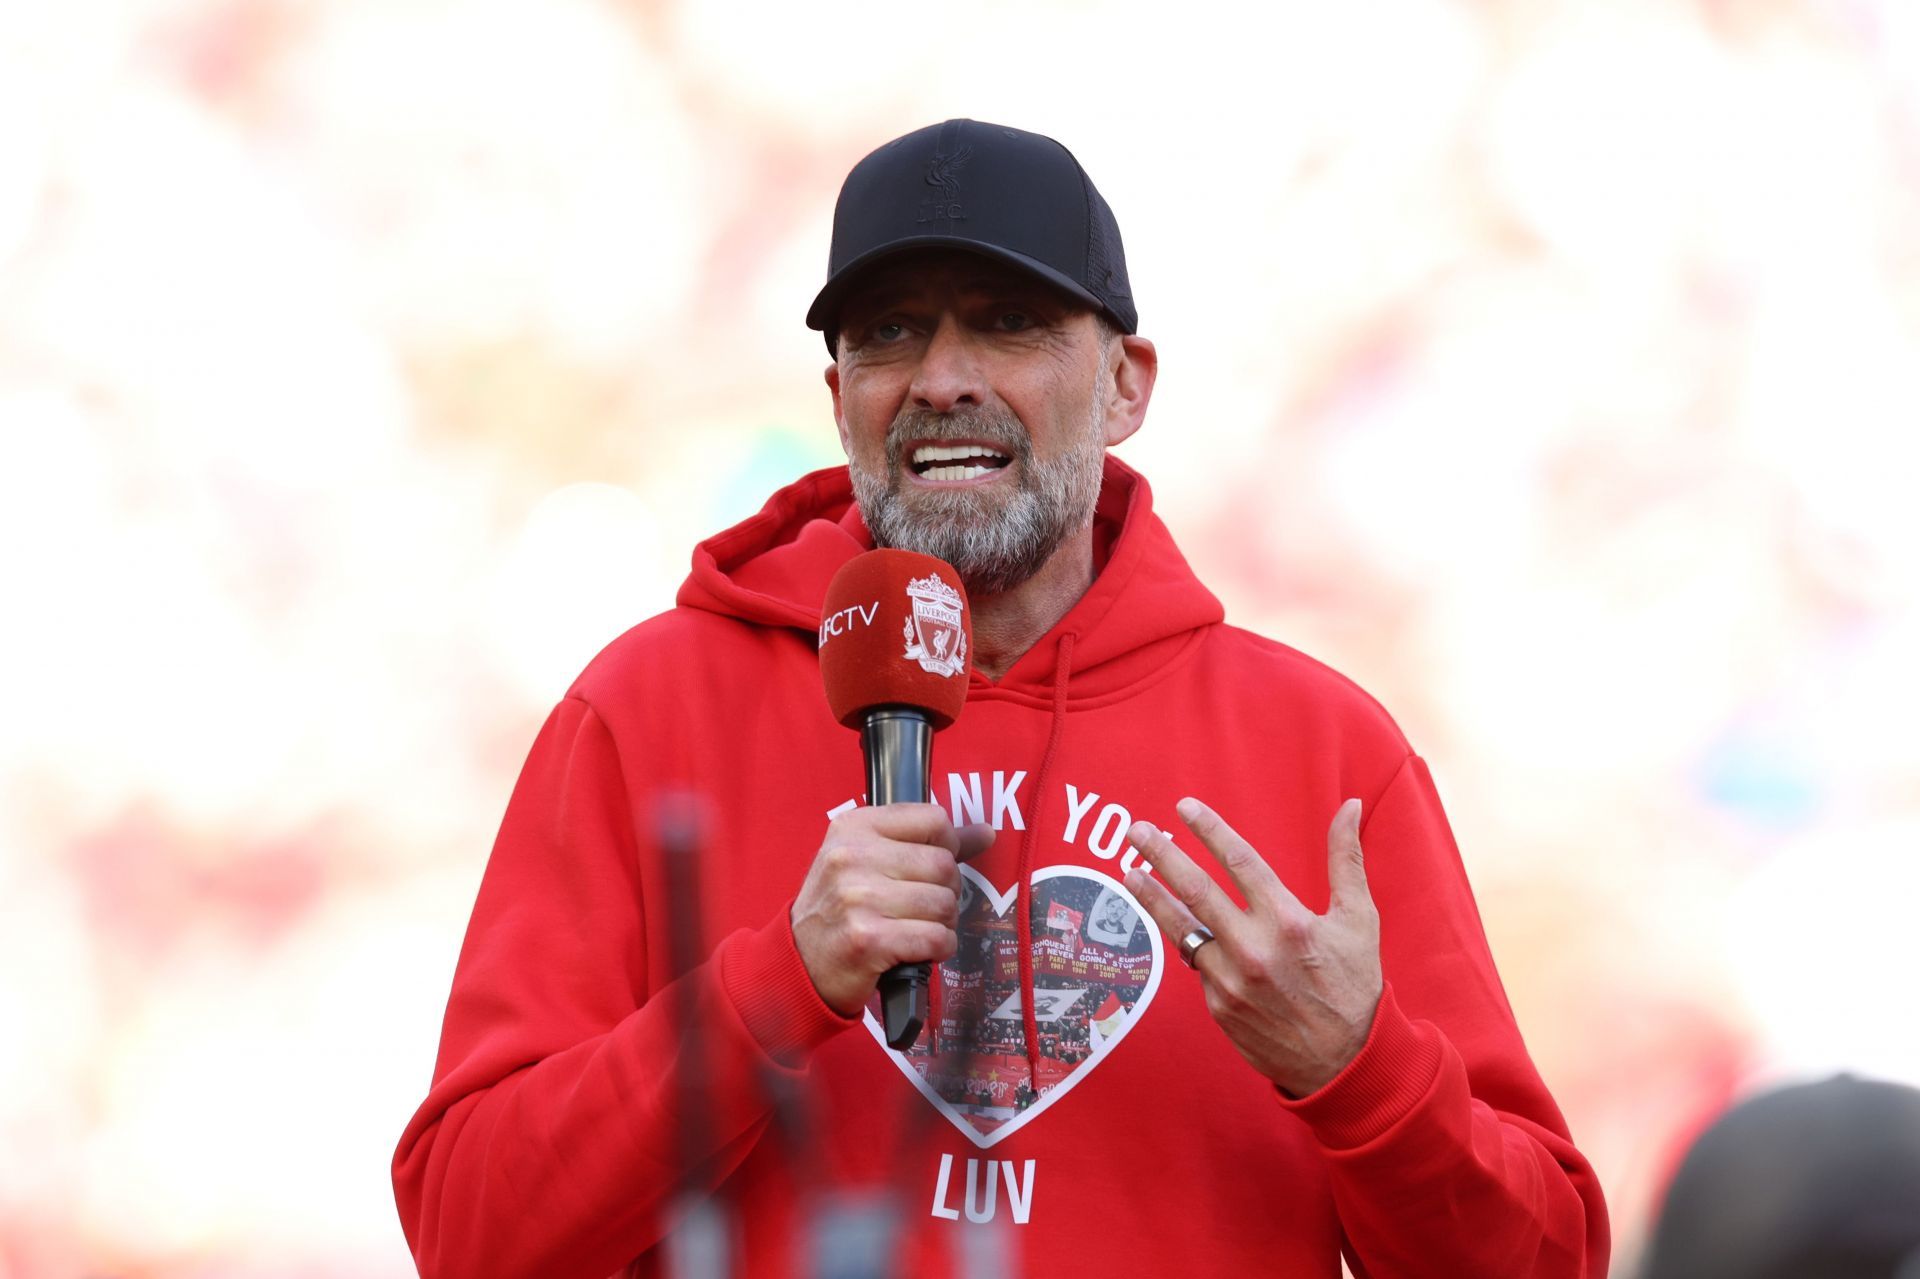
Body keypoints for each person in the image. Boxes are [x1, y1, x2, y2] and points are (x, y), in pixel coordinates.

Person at [392, 118, 1611, 1278]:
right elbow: (472, 1230)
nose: (941, 379)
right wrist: (778, 983)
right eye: (888, 333)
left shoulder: (1322, 750)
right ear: (837, 397)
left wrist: (1358, 1071)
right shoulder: (647, 710)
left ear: (1127, 385)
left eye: (1011, 322)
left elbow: (1544, 1257)